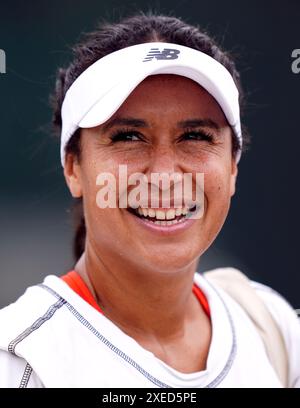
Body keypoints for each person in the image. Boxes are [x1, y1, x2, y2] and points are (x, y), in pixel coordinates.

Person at [0, 11, 299, 388]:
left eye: (195, 136)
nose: (164, 177)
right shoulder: (20, 362)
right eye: (128, 137)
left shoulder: (271, 327)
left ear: (233, 167)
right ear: (74, 167)